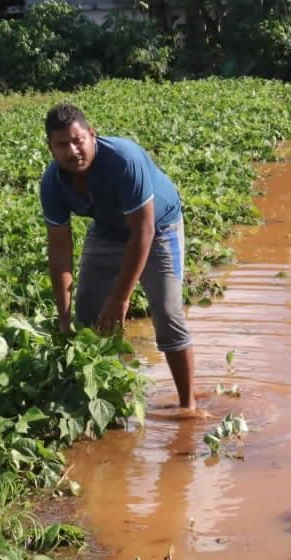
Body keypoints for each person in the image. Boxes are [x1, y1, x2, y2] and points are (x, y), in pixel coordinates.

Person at [39, 102, 198, 412]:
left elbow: (143, 232)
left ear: (92, 135)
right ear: (51, 148)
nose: (72, 151)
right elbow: (59, 252)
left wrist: (120, 298)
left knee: (166, 313)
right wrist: (63, 317)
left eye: (77, 140)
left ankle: (188, 406)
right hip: (108, 229)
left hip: (159, 227)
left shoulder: (124, 160)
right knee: (86, 314)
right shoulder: (53, 185)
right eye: (62, 145)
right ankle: (110, 400)